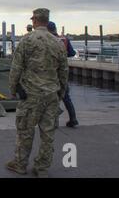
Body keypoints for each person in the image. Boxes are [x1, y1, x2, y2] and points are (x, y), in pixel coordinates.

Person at [6, 9, 68, 177]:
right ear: (47, 21)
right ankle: (42, 168)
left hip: (31, 95)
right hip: (51, 96)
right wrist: (60, 93)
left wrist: (13, 90)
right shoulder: (58, 43)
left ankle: (20, 164)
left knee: (25, 131)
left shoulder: (27, 40)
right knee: (48, 134)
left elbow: (16, 68)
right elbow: (64, 72)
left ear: (34, 21)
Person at [47, 21, 79, 128]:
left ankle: (54, 122)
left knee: (51, 98)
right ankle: (73, 118)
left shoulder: (46, 40)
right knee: (66, 96)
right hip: (63, 71)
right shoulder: (64, 39)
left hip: (51, 72)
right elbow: (72, 53)